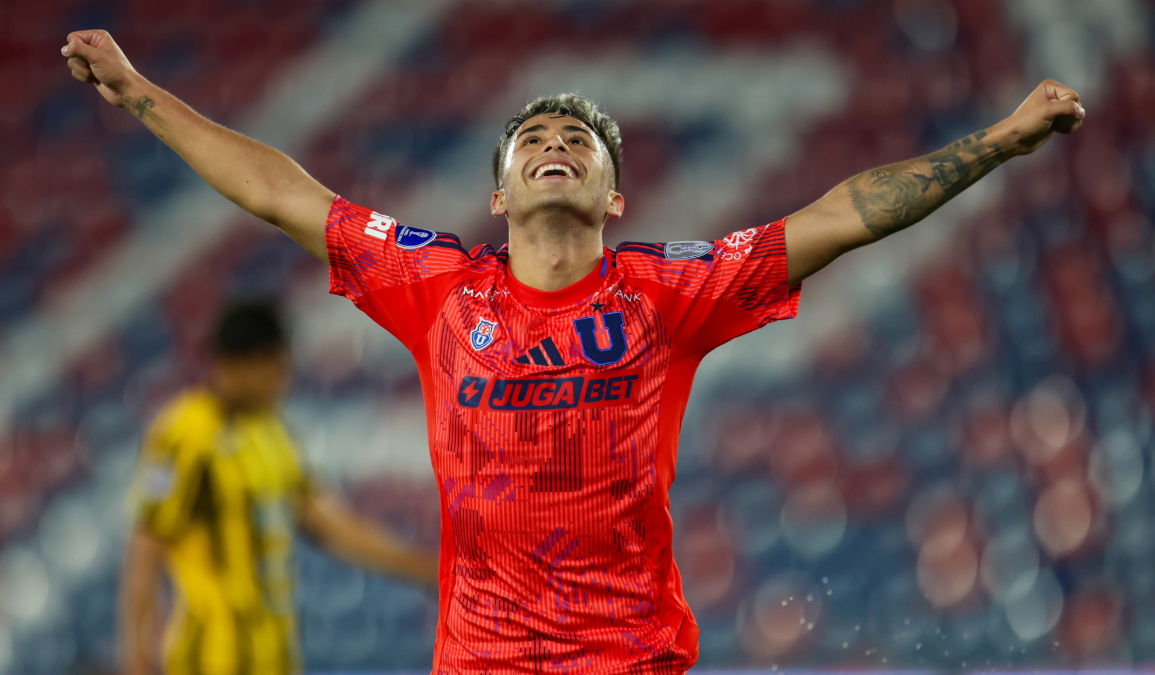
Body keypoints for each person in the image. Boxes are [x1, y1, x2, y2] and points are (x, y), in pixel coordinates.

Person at [65, 28, 1084, 674]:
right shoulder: (437, 287)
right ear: (501, 195)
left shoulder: (670, 291)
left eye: (582, 140)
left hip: (628, 660)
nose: (557, 138)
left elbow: (841, 217)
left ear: (613, 196)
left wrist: (996, 142)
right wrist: (136, 91)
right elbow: (282, 193)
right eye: (534, 136)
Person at [121, 300, 438, 675]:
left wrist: (426, 570)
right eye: (274, 362)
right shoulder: (186, 433)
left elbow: (334, 527)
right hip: (210, 657)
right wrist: (137, 658)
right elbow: (146, 550)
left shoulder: (273, 434)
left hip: (274, 659)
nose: (283, 375)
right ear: (237, 363)